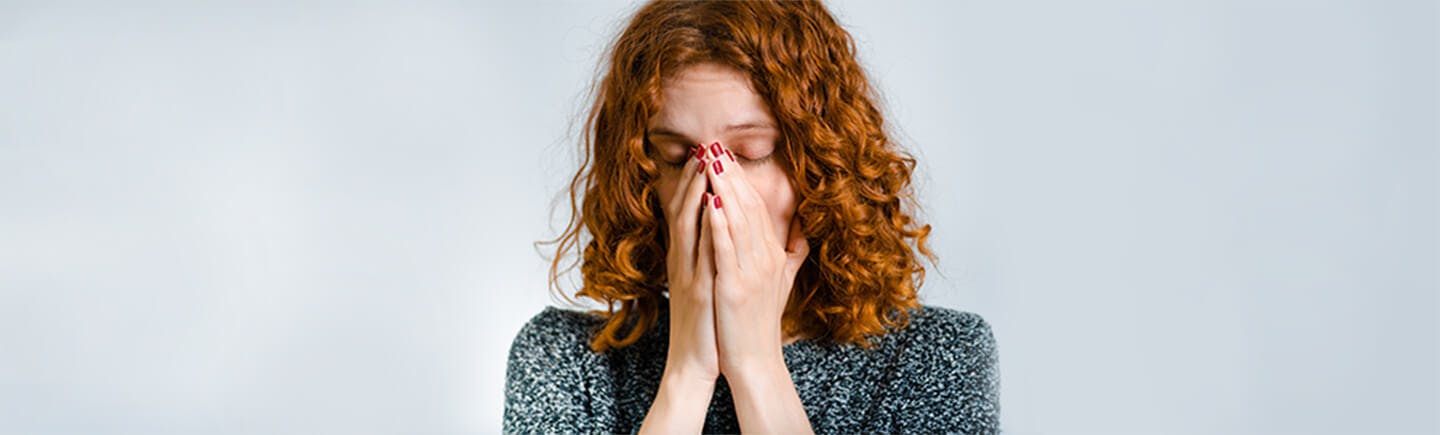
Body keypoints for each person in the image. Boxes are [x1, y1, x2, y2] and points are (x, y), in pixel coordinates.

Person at [504, 1, 998, 433]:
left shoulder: (939, 356)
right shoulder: (564, 358)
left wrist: (757, 367)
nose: (713, 189)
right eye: (677, 157)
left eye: (751, 152)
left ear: (822, 167)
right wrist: (687, 374)